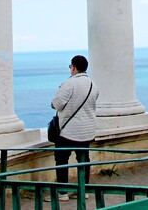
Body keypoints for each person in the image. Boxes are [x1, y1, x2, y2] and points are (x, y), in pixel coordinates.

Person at [50, 54, 99, 201]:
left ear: (74, 67)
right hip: (87, 130)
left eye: (71, 66)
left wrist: (54, 105)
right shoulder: (92, 84)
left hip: (68, 130)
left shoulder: (69, 84)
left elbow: (57, 103)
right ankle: (83, 190)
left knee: (61, 159)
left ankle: (62, 193)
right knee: (83, 159)